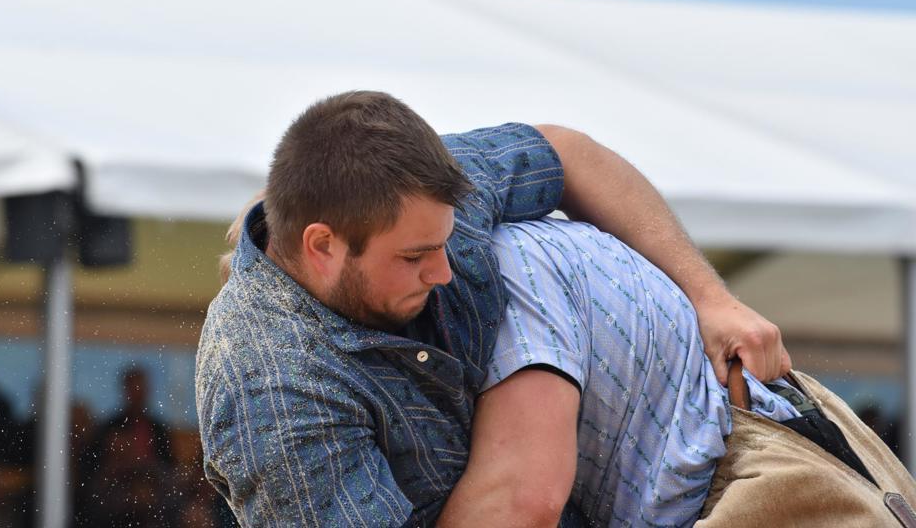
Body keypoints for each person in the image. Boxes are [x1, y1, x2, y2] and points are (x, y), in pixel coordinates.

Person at [195, 90, 789, 526]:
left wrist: (711, 299)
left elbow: (566, 152)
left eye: (445, 242)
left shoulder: (404, 192)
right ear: (321, 246)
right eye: (415, 257)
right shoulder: (271, 391)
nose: (444, 270)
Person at [436, 217, 916, 527]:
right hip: (776, 461)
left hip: (761, 471)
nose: (431, 272)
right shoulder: (522, 247)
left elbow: (523, 503)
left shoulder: (508, 269)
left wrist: (712, 297)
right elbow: (566, 149)